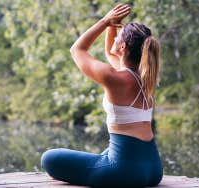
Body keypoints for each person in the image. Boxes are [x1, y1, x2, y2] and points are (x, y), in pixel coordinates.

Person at [41, 3, 163, 188]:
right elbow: (109, 52)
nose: (114, 38)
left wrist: (105, 21)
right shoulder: (144, 77)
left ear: (122, 46)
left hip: (124, 171)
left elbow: (77, 50)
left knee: (49, 158)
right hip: (153, 169)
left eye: (118, 36)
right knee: (104, 155)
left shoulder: (115, 78)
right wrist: (113, 25)